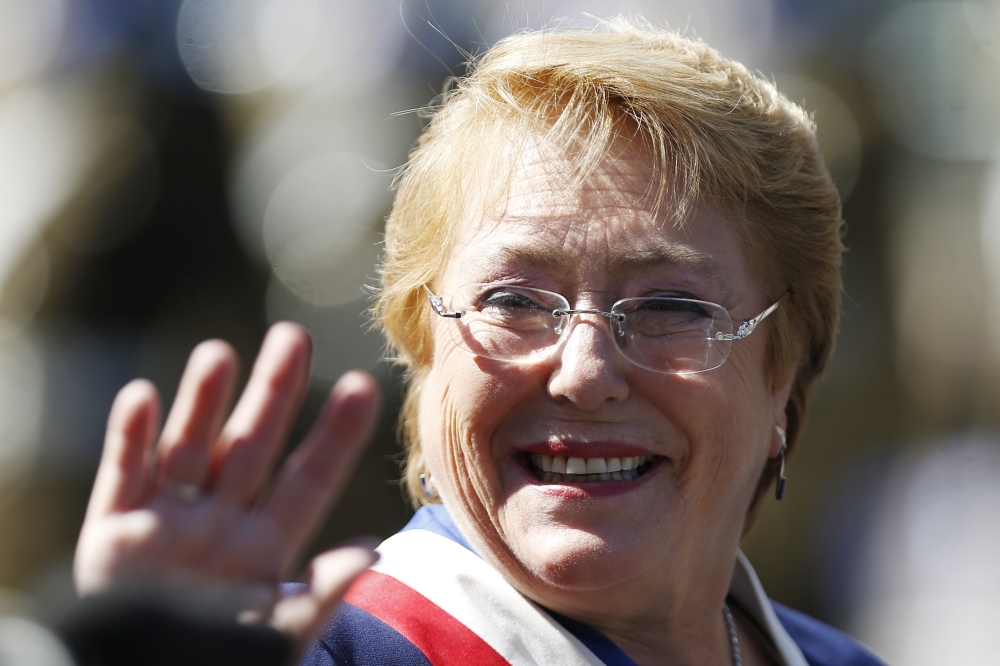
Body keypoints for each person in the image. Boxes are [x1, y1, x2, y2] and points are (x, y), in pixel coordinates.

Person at [73, 19, 885, 666]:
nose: (585, 371)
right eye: (515, 301)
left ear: (784, 374)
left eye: (670, 305)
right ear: (421, 354)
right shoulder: (311, 649)